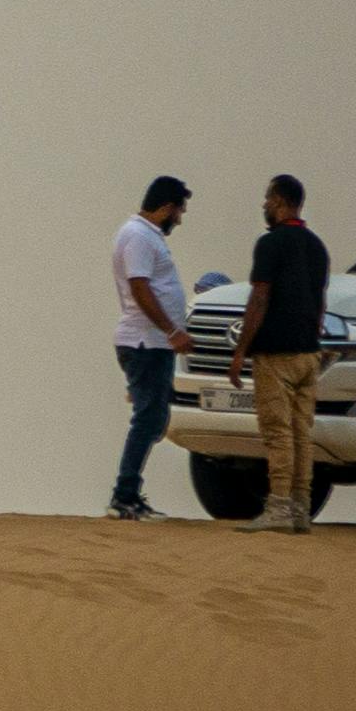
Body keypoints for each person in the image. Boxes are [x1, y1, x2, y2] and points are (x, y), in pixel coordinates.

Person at [240, 174, 330, 533]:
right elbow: (320, 300)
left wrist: (241, 349)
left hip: (275, 352)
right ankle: (300, 508)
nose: (264, 205)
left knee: (277, 431)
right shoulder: (316, 246)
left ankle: (279, 506)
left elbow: (259, 297)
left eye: (267, 198)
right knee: (300, 433)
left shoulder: (270, 244)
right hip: (309, 352)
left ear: (279, 201)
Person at [111, 174, 193, 519]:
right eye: (179, 211)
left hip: (151, 344)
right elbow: (140, 288)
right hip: (145, 342)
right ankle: (125, 496)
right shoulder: (138, 237)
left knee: (155, 418)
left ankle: (128, 493)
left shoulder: (144, 236)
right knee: (148, 420)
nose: (180, 218)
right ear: (166, 207)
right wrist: (172, 330)